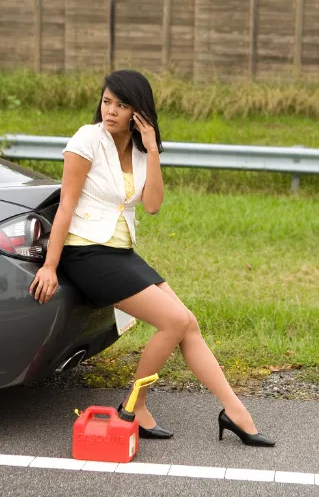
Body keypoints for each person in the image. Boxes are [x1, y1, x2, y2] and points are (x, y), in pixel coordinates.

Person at [29, 70, 275, 447]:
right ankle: (134, 407)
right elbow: (66, 206)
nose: (110, 111)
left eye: (121, 104)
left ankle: (235, 411)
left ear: (138, 112)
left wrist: (153, 148)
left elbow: (153, 206)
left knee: (187, 322)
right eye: (107, 101)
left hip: (120, 251)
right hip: (86, 252)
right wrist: (49, 264)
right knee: (174, 320)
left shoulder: (142, 148)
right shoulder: (87, 139)